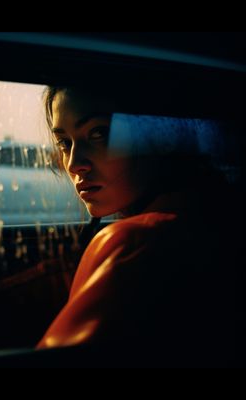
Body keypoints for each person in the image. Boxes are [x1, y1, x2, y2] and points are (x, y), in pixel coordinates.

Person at [35, 86, 243, 367]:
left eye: (99, 133)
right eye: (64, 143)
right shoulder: (212, 212)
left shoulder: (133, 244)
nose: (74, 164)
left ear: (161, 135)